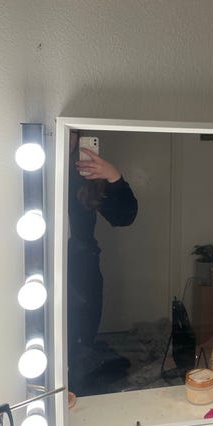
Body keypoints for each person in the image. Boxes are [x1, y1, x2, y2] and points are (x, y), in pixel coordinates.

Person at [67, 130, 138, 395]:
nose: (68, 141)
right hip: (44, 269)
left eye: (73, 135)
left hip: (83, 269)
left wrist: (113, 176)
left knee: (82, 338)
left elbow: (124, 216)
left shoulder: (84, 174)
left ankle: (77, 394)